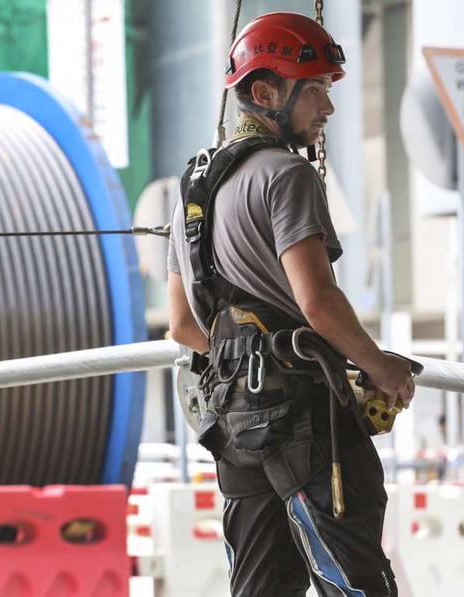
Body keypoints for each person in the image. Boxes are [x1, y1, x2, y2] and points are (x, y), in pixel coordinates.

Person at [166, 12, 415, 597]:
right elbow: (319, 301)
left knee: (260, 587)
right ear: (265, 92)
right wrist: (381, 368)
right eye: (317, 91)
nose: (327, 109)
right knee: (355, 583)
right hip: (306, 421)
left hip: (234, 426)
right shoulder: (286, 175)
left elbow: (183, 324)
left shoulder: (194, 193)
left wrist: (248, 359)